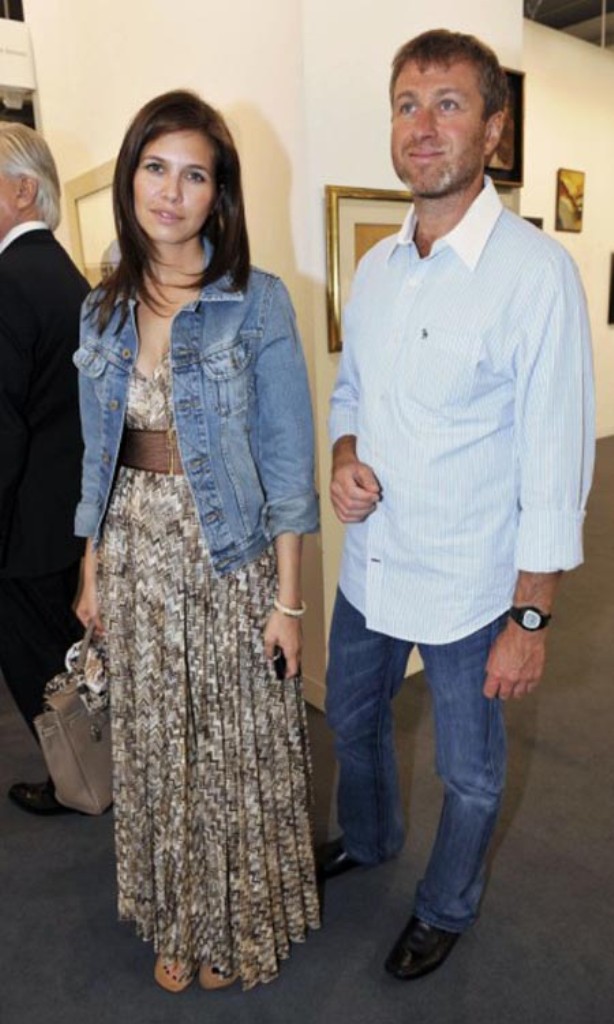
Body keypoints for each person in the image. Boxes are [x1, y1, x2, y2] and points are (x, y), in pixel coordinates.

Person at [321, 29, 595, 982]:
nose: (424, 126)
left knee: (470, 774)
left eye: (449, 104)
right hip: (372, 566)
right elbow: (351, 393)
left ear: (494, 129)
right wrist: (344, 452)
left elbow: (555, 465)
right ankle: (370, 838)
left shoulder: (535, 276)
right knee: (351, 720)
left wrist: (531, 619)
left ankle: (445, 906)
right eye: (408, 105)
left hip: (474, 585)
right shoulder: (378, 269)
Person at [74, 90, 319, 992]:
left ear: (220, 196)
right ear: (130, 177)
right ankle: (175, 915)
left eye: (194, 176)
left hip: (228, 561)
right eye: (155, 168)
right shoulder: (100, 309)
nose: (170, 193)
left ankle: (232, 922)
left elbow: (289, 465)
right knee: (158, 749)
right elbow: (98, 456)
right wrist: (91, 569)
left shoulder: (257, 302)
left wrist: (290, 605)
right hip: (135, 560)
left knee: (229, 750)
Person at [0, 123, 89, 815]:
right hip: (69, 514)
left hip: (23, 529)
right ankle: (90, 774)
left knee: (44, 673)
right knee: (71, 662)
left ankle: (78, 781)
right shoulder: (68, 276)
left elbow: (3, 427)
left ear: (24, 190)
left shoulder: (8, 279)